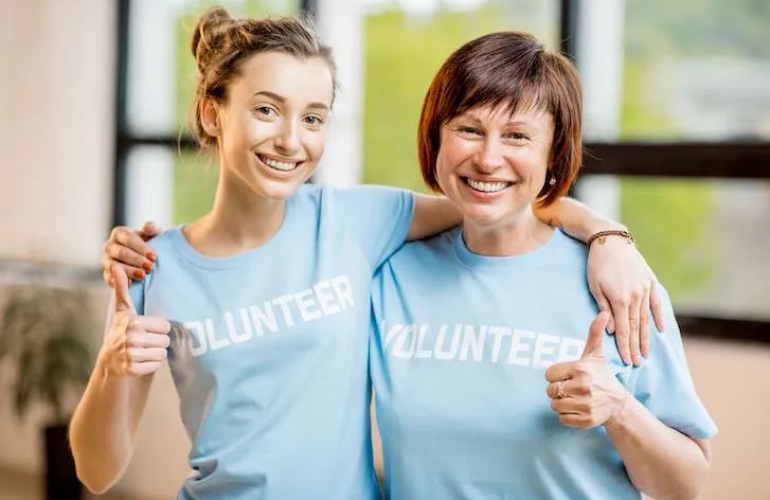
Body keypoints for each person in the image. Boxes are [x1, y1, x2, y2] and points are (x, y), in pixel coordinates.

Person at [76, 6, 661, 499]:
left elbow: (493, 194)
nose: (291, 139)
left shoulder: (354, 220)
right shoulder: (154, 267)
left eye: (313, 118)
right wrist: (112, 364)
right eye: (265, 109)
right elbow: (97, 473)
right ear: (212, 111)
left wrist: (609, 236)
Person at [369, 31, 716, 500]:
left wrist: (618, 409)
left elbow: (686, 486)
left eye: (517, 136)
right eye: (468, 130)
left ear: (554, 154)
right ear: (436, 138)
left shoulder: (618, 287)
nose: (488, 159)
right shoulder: (389, 277)